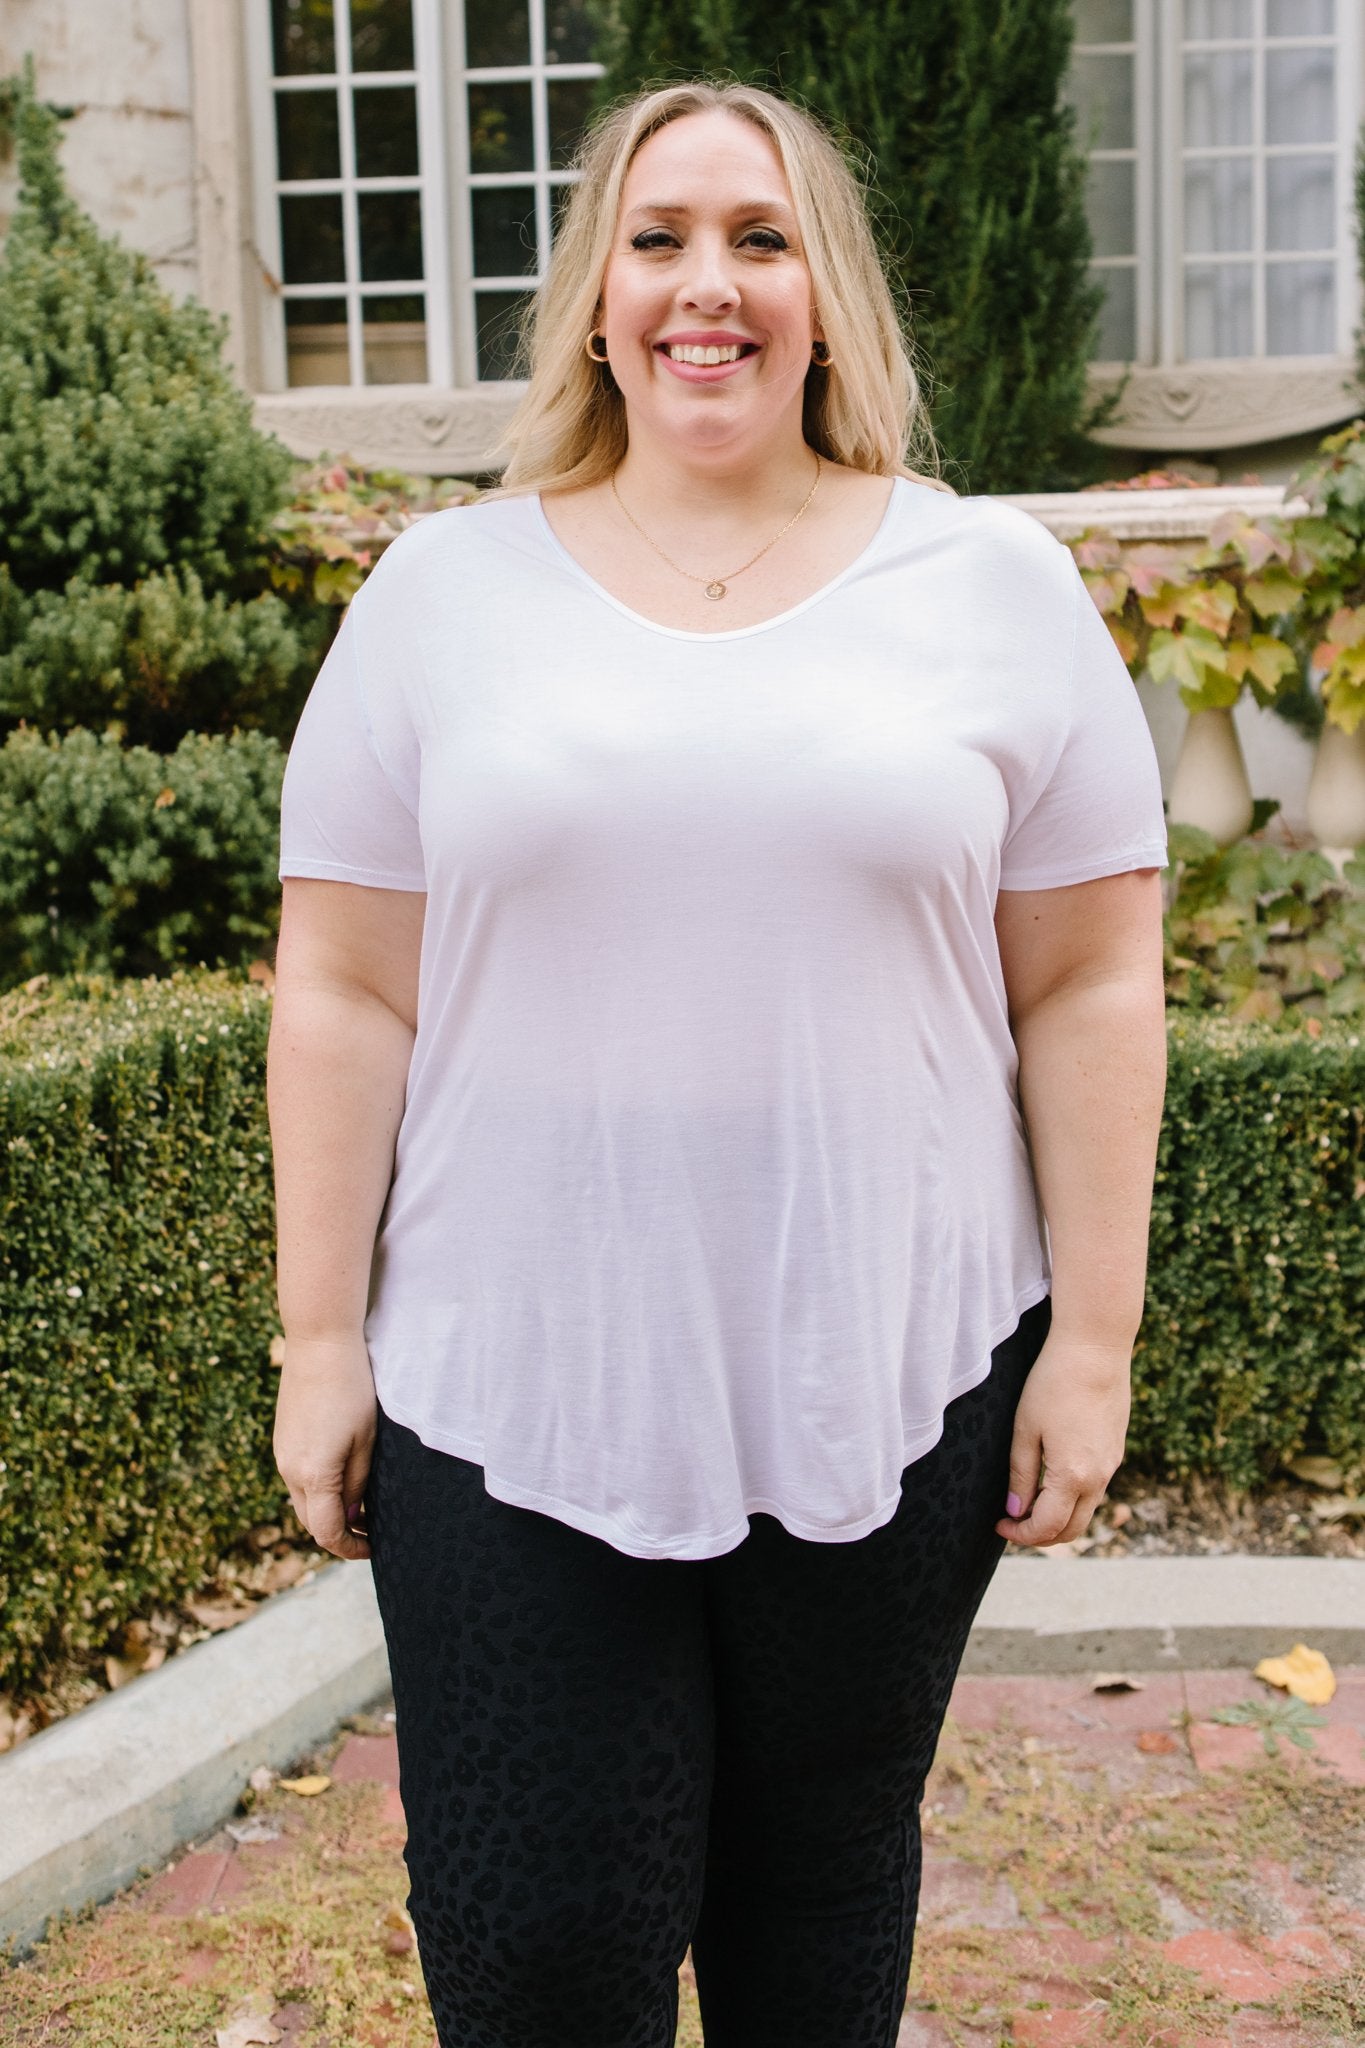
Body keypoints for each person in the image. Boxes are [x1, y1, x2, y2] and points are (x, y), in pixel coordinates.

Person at [268, 78, 1169, 2048]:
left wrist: (1087, 1344)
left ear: (824, 297)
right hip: (506, 1386)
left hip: (889, 1369)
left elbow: (1090, 976)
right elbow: (342, 984)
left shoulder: (989, 588)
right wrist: (318, 1343)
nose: (708, 285)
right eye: (657, 237)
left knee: (815, 1912)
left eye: (758, 238)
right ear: (590, 300)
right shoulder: (440, 599)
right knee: (538, 1951)